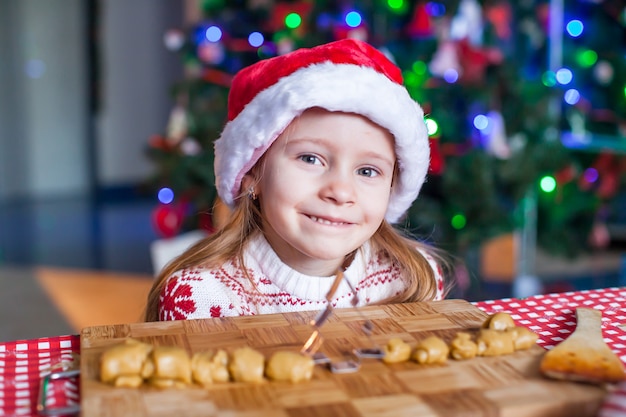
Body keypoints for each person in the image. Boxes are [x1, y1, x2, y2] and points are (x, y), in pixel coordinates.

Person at [144, 38, 449, 322]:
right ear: (251, 174)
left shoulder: (414, 279)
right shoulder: (199, 298)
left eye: (367, 171)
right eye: (310, 159)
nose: (341, 192)